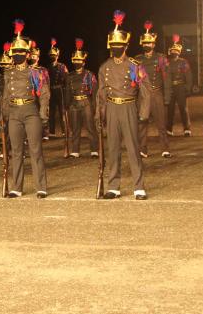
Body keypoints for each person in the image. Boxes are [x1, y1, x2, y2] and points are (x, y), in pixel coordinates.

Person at [97, 11, 151, 200]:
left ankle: (139, 186)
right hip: (112, 108)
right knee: (112, 148)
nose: (116, 48)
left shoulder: (134, 66)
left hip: (129, 107)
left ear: (126, 45)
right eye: (113, 46)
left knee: (133, 148)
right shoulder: (105, 67)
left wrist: (143, 113)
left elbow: (145, 91)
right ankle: (114, 186)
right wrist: (100, 116)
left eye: (119, 45)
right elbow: (101, 94)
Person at [0, 20, 48, 198]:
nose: (18, 55)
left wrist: (43, 114)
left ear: (27, 54)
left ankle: (41, 186)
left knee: (36, 150)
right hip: (14, 113)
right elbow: (5, 97)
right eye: (15, 52)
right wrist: (3, 118)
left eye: (21, 52)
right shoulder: (8, 73)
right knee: (16, 152)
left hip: (30, 112)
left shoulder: (35, 73)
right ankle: (16, 187)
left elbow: (44, 94)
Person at [134, 20, 172, 158]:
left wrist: (167, 97)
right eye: (144, 43)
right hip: (143, 96)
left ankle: (165, 148)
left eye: (149, 43)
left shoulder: (161, 58)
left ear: (154, 44)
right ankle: (143, 149)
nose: (146, 45)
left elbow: (167, 78)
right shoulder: (137, 59)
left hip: (157, 94)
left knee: (161, 123)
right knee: (142, 123)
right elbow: (134, 80)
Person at [64, 38, 98, 158]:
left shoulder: (90, 75)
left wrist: (95, 107)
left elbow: (94, 92)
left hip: (86, 102)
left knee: (90, 127)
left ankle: (94, 150)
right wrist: (66, 105)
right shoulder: (69, 76)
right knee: (75, 128)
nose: (77, 62)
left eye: (79, 60)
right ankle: (75, 151)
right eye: (75, 60)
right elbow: (67, 91)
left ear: (83, 62)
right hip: (74, 103)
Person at [165, 34, 193, 136]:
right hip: (171, 88)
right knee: (170, 110)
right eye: (173, 52)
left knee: (183, 108)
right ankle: (169, 129)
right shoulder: (167, 63)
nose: (174, 53)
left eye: (176, 52)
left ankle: (187, 129)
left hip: (180, 87)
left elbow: (188, 75)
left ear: (179, 53)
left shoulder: (183, 62)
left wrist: (188, 88)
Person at [28, 41, 52, 141]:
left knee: (43, 114)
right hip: (31, 92)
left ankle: (45, 133)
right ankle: (33, 133)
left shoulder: (43, 70)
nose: (33, 58)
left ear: (38, 57)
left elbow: (47, 82)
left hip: (43, 91)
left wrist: (48, 93)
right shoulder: (27, 69)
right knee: (32, 114)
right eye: (32, 56)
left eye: (35, 56)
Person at [47, 38, 69, 137]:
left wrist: (66, 91)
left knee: (62, 111)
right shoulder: (47, 68)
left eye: (54, 55)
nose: (53, 57)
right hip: (51, 90)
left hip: (60, 90)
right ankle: (52, 131)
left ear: (57, 56)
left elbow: (67, 80)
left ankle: (65, 130)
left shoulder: (62, 66)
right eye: (51, 56)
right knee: (51, 112)